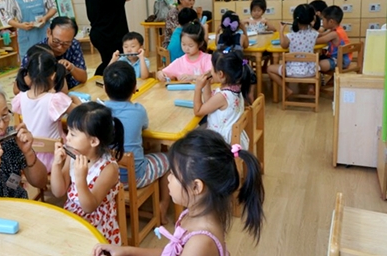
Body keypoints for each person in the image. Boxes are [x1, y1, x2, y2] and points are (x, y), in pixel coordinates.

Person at [93, 129, 264, 256]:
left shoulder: (200, 243)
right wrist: (126, 251)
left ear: (196, 187)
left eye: (174, 173)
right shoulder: (195, 214)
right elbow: (171, 252)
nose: (168, 178)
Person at [103, 61, 171, 224]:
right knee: (170, 158)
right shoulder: (138, 110)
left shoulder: (99, 111)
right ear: (134, 87)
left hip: (106, 177)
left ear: (105, 88)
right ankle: (163, 207)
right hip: (135, 177)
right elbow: (145, 126)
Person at [50, 102, 125, 244]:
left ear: (94, 141)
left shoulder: (109, 169)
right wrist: (56, 164)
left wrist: (80, 180)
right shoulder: (75, 155)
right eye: (68, 132)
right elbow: (58, 191)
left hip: (97, 228)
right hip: (72, 219)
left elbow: (90, 207)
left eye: (73, 134)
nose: (67, 138)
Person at [12, 52, 81, 172]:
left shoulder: (20, 97)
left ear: (28, 75)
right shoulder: (55, 100)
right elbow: (80, 114)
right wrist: (77, 101)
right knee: (81, 150)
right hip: (57, 157)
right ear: (53, 75)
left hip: (30, 158)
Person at [193, 50, 252, 149]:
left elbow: (198, 111)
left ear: (221, 74)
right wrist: (206, 84)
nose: (210, 71)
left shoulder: (222, 96)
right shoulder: (236, 88)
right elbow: (209, 105)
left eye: (212, 68)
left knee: (191, 139)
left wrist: (198, 88)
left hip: (222, 143)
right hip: (235, 139)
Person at [21, 17, 87, 89]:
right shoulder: (37, 51)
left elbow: (83, 78)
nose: (60, 47)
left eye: (66, 43)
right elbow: (17, 88)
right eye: (56, 41)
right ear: (49, 32)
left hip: (71, 89)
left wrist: (71, 67)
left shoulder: (74, 44)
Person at [267, 4, 318, 98]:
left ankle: (287, 89)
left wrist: (281, 31)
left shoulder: (291, 35)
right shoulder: (315, 34)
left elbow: (283, 45)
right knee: (316, 65)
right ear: (311, 19)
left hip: (292, 71)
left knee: (269, 69)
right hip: (311, 71)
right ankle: (311, 87)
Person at [316, 5, 351, 73]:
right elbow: (321, 35)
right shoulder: (336, 29)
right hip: (340, 58)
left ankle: (320, 79)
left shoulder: (334, 34)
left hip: (341, 60)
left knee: (319, 64)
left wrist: (306, 38)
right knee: (318, 59)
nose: (322, 22)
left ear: (331, 22)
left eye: (323, 20)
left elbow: (318, 41)